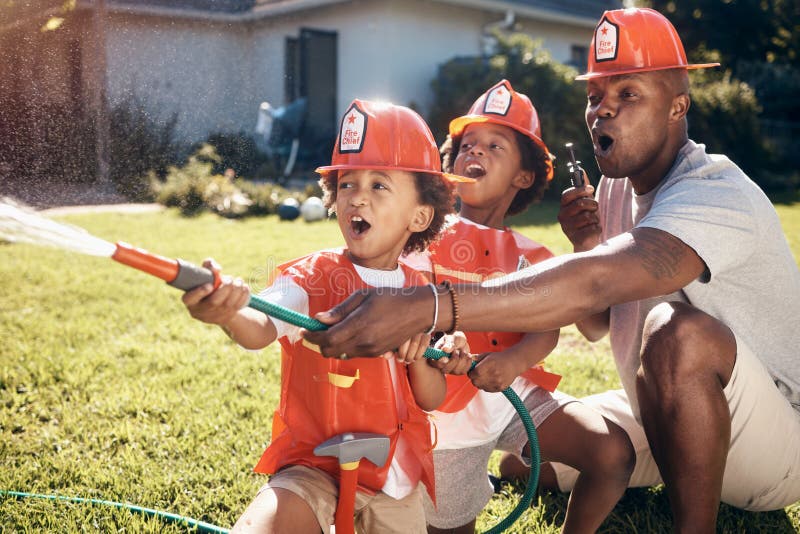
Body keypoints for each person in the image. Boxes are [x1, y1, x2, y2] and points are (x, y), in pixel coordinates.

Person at [303, 8, 800, 532]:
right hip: (665, 404)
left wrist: (426, 307)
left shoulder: (716, 190)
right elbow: (597, 322)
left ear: (678, 105)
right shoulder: (614, 189)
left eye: (627, 94)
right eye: (595, 98)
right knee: (532, 459)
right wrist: (589, 241)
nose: (602, 112)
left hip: (776, 441)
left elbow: (601, 280)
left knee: (679, 333)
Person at [181, 99, 471, 533]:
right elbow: (260, 329)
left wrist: (425, 357)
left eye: (379, 186)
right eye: (348, 184)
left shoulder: (422, 292)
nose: (358, 198)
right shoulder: (311, 277)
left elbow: (429, 398)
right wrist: (228, 311)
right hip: (312, 467)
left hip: (393, 477)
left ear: (420, 214)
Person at [402, 80, 634, 533]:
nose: (476, 153)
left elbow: (547, 327)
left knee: (613, 454)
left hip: (516, 396)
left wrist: (512, 362)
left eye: (494, 145)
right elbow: (411, 309)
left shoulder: (535, 255)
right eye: (467, 145)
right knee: (450, 527)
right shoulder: (423, 236)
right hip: (445, 411)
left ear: (524, 176)